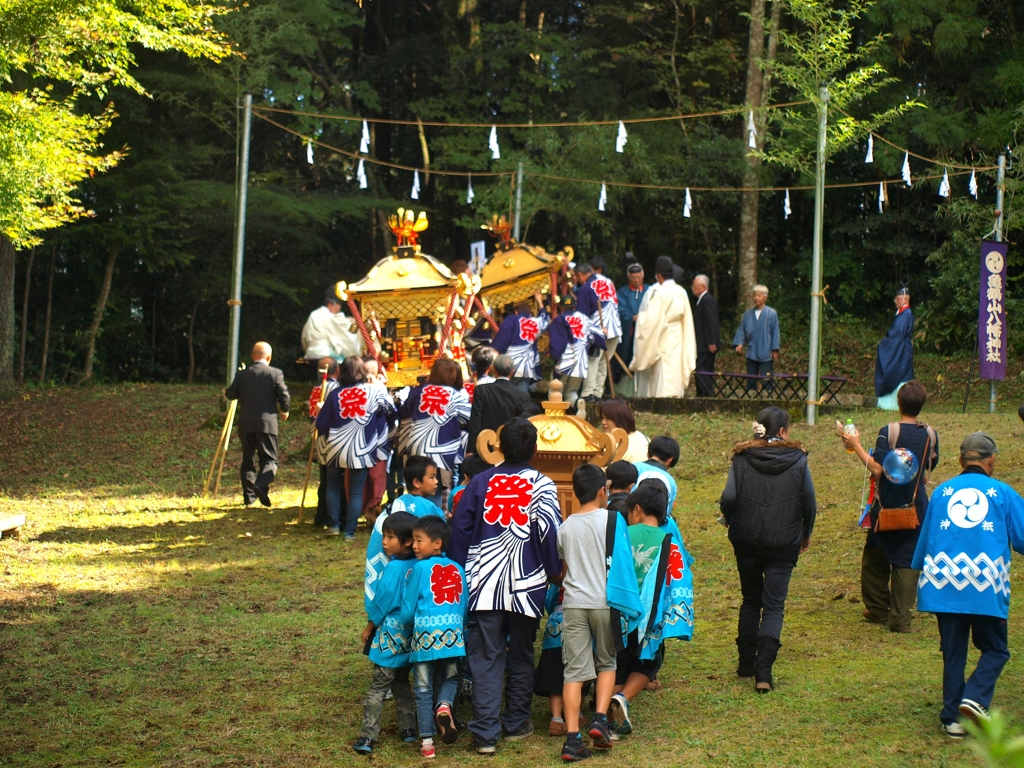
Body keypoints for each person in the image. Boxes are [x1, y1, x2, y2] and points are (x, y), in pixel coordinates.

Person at [448, 417, 563, 754]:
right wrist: (554, 571)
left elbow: (460, 533)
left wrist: (458, 571)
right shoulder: (542, 484)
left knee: (486, 654)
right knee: (523, 652)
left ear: (498, 447)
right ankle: (515, 722)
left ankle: (485, 733)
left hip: (483, 581)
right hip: (527, 585)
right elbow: (549, 534)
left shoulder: (481, 482)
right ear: (535, 449)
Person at [912, 432, 1024, 739]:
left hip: (943, 584)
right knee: (996, 649)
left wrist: (918, 573)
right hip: (986, 585)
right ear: (991, 460)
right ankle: (973, 697)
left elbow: (925, 542)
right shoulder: (1002, 492)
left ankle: (952, 719)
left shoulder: (943, 492)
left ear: (961, 459)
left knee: (953, 651)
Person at [719, 407, 816, 693]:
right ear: (784, 431)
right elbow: (810, 503)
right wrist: (805, 533)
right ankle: (764, 673)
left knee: (750, 600)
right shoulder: (798, 458)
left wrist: (729, 519)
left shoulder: (742, 457)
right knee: (773, 605)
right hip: (784, 542)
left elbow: (729, 497)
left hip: (746, 540)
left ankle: (745, 665)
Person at [839, 380, 939, 633]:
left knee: (876, 554)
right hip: (916, 506)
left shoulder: (889, 431)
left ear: (898, 402)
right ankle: (900, 618)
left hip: (887, 505)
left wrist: (855, 445)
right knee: (907, 559)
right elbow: (929, 465)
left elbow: (877, 469)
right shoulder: (930, 434)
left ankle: (877, 608)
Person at [558, 464, 641, 762]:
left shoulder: (565, 526)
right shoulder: (612, 519)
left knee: (574, 672)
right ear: (601, 491)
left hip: (574, 605)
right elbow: (622, 561)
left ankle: (571, 739)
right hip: (605, 603)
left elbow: (563, 565)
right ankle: (599, 721)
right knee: (607, 662)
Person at [608, 480, 693, 734]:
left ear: (635, 509)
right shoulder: (670, 541)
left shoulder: (622, 535)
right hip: (650, 619)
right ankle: (622, 698)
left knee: (617, 663)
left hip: (618, 616)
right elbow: (679, 582)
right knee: (647, 664)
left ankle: (607, 713)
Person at [399, 516, 468, 758]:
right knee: (451, 679)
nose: (414, 546)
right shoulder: (459, 569)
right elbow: (464, 605)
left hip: (424, 637)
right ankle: (445, 706)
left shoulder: (418, 569)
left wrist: (407, 625)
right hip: (453, 636)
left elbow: (408, 608)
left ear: (437, 543)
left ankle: (427, 744)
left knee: (422, 689)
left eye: (419, 540)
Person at [352, 511, 418, 755]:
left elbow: (382, 601)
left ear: (408, 541)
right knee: (401, 681)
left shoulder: (394, 568)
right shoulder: (419, 565)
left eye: (390, 537)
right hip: (412, 638)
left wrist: (370, 625)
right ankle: (409, 729)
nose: (384, 542)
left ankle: (368, 737)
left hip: (390, 636)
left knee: (378, 687)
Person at [315, 356, 395, 540]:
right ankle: (350, 531)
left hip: (336, 446)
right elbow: (392, 411)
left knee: (333, 487)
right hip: (363, 447)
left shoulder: (335, 394)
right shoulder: (374, 392)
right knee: (356, 490)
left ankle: (334, 525)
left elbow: (322, 423)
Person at [364, 456, 445, 612]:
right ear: (416, 482)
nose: (436, 482)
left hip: (387, 573)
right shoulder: (428, 509)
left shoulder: (393, 505)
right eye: (432, 477)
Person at [396, 358, 471, 508]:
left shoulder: (418, 391)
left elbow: (404, 417)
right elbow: (468, 418)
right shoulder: (454, 395)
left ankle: (415, 519)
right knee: (434, 489)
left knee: (417, 488)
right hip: (442, 448)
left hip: (416, 445)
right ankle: (431, 524)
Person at [225, 341, 291, 507]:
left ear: (252, 356)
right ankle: (261, 485)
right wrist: (285, 410)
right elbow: (283, 394)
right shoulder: (275, 373)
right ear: (269, 357)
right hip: (267, 423)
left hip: (246, 423)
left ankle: (249, 497)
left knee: (248, 459)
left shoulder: (242, 374)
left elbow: (231, 394)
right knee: (270, 460)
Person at [630, 256, 697, 398]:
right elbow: (687, 319)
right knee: (674, 366)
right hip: (677, 334)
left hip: (660, 334)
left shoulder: (657, 292)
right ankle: (674, 395)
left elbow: (650, 321)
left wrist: (640, 318)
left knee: (660, 367)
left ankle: (659, 397)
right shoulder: (681, 291)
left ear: (659, 275)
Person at [465, 354, 532, 457]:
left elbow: (475, 422)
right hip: (512, 449)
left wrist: (470, 450)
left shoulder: (481, 390)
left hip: (484, 447)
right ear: (512, 372)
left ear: (493, 370)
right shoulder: (523, 395)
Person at [548, 294, 603, 416]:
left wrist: (555, 356)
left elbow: (555, 342)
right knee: (572, 391)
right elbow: (596, 336)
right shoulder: (584, 318)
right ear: (574, 307)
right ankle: (574, 409)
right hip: (580, 361)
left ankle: (554, 417)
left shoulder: (559, 320)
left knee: (555, 390)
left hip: (564, 361)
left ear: (561, 307)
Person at [575, 262, 621, 403]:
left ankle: (588, 393)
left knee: (593, 360)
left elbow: (581, 316)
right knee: (604, 362)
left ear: (580, 275)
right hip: (615, 327)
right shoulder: (608, 281)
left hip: (598, 327)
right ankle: (598, 392)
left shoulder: (585, 288)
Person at [491, 295, 549, 392]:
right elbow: (545, 319)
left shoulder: (512, 320)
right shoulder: (535, 322)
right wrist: (540, 302)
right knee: (522, 395)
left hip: (511, 365)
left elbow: (501, 343)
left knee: (508, 394)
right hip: (528, 366)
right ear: (530, 313)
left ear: (516, 312)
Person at [301, 287, 364, 370]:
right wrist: (356, 326)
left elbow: (304, 337)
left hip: (310, 352)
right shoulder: (329, 317)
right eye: (337, 309)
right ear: (331, 305)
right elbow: (345, 333)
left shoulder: (313, 314)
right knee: (345, 360)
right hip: (324, 352)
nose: (337, 312)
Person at [732, 285, 780, 394]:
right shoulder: (747, 315)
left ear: (765, 297)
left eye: (759, 295)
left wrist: (775, 349)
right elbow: (742, 330)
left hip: (766, 351)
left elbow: (775, 332)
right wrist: (739, 343)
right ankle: (750, 398)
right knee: (751, 378)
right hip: (751, 351)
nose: (756, 298)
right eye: (755, 295)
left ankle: (768, 399)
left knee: (766, 379)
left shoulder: (771, 313)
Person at [875, 286, 915, 410]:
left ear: (904, 299)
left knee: (898, 372)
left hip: (900, 349)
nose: (895, 301)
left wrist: (885, 344)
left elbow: (897, 334)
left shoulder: (906, 314)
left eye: (898, 299)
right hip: (901, 348)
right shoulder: (903, 313)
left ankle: (895, 404)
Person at [616, 262, 649, 397]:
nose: (636, 280)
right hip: (629, 332)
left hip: (646, 331)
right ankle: (625, 388)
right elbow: (620, 309)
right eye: (633, 278)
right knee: (627, 356)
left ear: (643, 276)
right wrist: (631, 317)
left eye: (639, 277)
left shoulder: (649, 290)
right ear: (629, 278)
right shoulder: (623, 292)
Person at [634, 436, 680, 514]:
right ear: (670, 460)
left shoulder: (634, 466)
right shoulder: (670, 481)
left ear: (648, 453)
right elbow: (667, 511)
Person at [691, 274, 720, 397]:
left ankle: (707, 393)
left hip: (706, 343)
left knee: (702, 367)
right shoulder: (702, 300)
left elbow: (711, 321)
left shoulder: (707, 300)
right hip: (702, 343)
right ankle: (703, 392)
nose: (692, 288)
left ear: (702, 287)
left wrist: (712, 341)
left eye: (694, 286)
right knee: (703, 367)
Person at [600, 399, 650, 463]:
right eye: (602, 418)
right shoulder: (641, 436)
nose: (603, 422)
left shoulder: (641, 440)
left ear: (619, 419)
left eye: (608, 418)